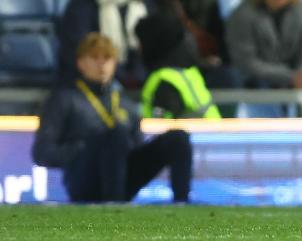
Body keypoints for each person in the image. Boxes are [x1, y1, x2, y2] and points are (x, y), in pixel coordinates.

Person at [32, 33, 192, 203]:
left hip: (123, 177)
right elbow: (42, 153)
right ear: (81, 63)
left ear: (115, 63)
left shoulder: (125, 104)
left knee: (177, 138)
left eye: (107, 57)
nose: (101, 63)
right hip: (84, 180)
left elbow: (136, 147)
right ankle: (112, 206)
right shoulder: (63, 99)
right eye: (94, 57)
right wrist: (81, 149)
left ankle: (181, 203)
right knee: (114, 134)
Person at [137, 12, 222, 119]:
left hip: (193, 135)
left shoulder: (165, 83)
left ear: (154, 43)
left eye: (141, 41)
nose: (138, 48)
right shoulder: (187, 72)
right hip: (211, 134)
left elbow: (165, 129)